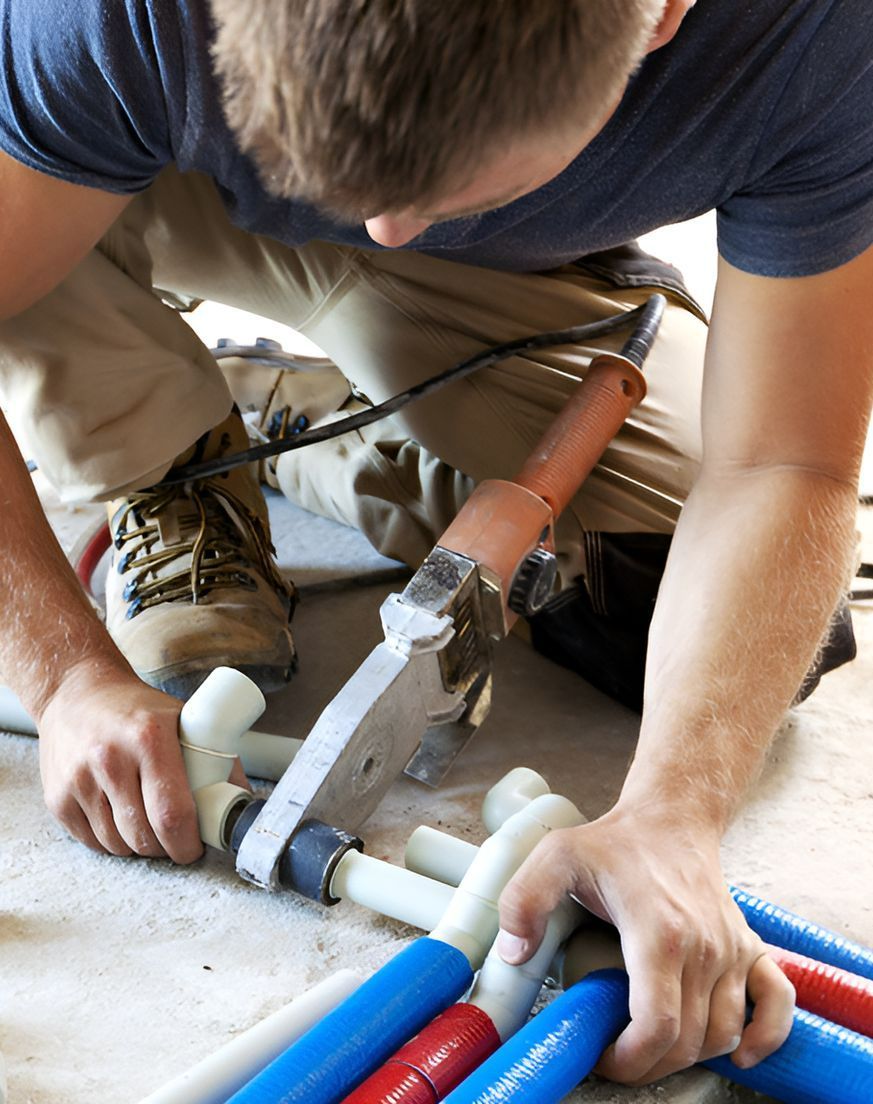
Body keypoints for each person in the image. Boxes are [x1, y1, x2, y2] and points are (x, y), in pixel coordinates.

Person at [0, 0, 870, 1086]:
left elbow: (786, 464)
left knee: (688, 604)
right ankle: (160, 451)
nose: (384, 227)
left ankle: (287, 422)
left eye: (454, 183)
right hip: (110, 168)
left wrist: (675, 816)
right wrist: (64, 674)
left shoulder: (814, 38)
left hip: (488, 261)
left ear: (661, 22)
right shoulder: (108, 17)